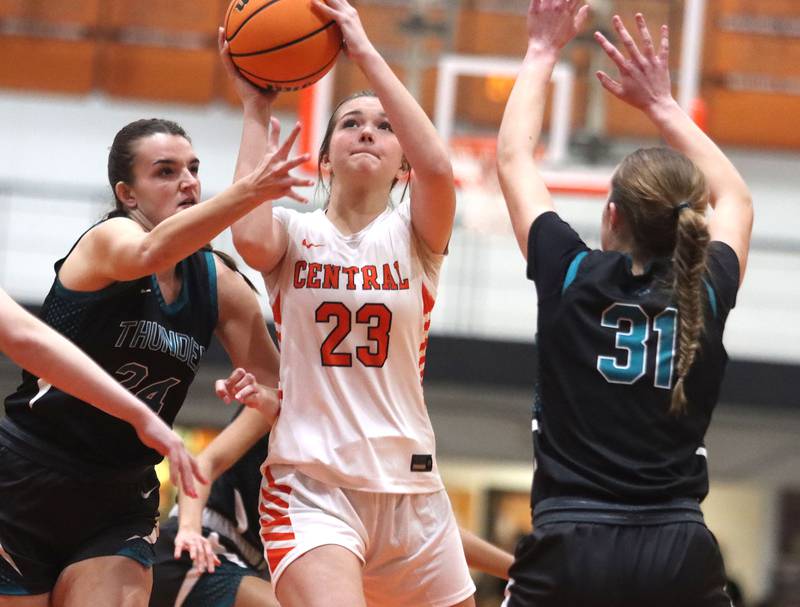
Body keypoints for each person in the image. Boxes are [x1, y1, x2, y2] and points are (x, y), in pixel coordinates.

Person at [496, 2, 752, 607]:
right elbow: (736, 196)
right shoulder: (707, 285)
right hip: (679, 552)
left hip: (572, 545)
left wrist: (541, 50)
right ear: (693, 219)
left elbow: (513, 160)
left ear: (611, 216)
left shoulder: (571, 273)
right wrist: (664, 106)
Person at [222, 0, 476, 604]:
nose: (368, 130)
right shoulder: (295, 233)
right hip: (313, 488)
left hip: (413, 491)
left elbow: (439, 167)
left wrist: (362, 48)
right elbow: (247, 235)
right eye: (351, 123)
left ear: (402, 168)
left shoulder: (416, 238)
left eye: (385, 126)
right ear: (325, 159)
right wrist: (257, 106)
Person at [0, 110, 309, 606]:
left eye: (193, 169)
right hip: (28, 477)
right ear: (127, 194)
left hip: (120, 496)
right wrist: (248, 192)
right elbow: (148, 253)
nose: (186, 182)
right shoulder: (109, 241)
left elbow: (284, 394)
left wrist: (254, 406)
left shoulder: (221, 284)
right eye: (165, 171)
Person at [150, 399, 513, 607]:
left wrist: (518, 570)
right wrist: (189, 529)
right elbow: (203, 465)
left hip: (254, 565)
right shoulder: (288, 386)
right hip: (206, 556)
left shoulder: (378, 419)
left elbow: (430, 532)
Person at [0, 287, 201, 498]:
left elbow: (26, 339)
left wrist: (138, 415)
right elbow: (24, 338)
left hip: (123, 490)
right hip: (33, 463)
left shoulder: (211, 279)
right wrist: (139, 415)